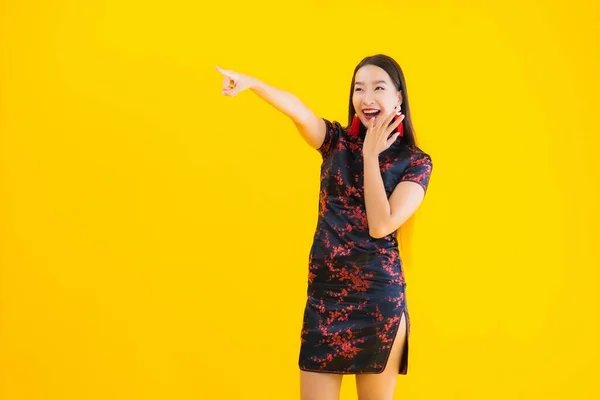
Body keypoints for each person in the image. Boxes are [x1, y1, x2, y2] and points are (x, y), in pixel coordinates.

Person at [216, 54, 433, 400]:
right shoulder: (336, 142)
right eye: (358, 89)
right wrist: (253, 84)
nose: (366, 98)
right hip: (325, 300)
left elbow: (381, 225)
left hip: (378, 303)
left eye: (378, 88)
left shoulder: (416, 162)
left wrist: (370, 155)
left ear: (398, 98)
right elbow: (299, 112)